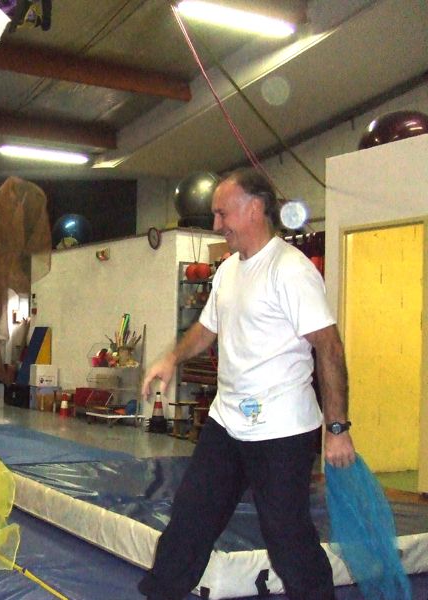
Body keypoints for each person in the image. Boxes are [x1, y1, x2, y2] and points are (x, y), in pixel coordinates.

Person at [138, 168, 356, 600]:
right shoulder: (228, 271)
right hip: (227, 422)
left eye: (223, 213)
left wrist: (336, 428)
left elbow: (329, 348)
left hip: (281, 429)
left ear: (255, 208)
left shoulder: (290, 270)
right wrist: (171, 358)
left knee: (288, 537)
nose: (217, 224)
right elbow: (206, 328)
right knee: (190, 519)